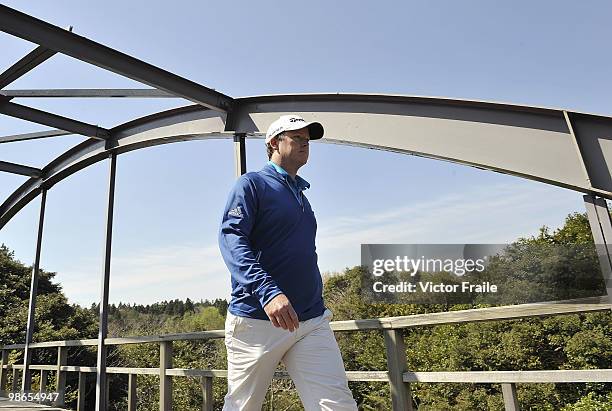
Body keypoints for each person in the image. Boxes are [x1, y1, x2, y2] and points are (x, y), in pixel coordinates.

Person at [218, 114, 358, 410]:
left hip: (310, 319)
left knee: (338, 405)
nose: (305, 144)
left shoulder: (302, 195)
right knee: (242, 406)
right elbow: (232, 240)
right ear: (273, 143)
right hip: (258, 320)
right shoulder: (251, 185)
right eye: (296, 138)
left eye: (307, 140)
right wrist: (268, 292)